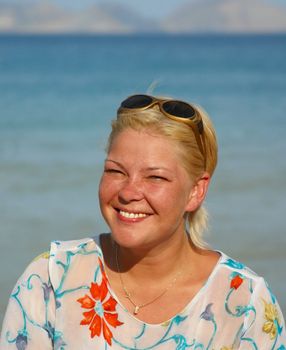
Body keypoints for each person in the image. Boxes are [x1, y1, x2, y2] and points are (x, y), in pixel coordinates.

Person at [1, 94, 285, 349]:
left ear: (196, 191)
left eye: (155, 177)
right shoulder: (50, 279)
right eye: (116, 171)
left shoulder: (244, 302)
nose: (128, 192)